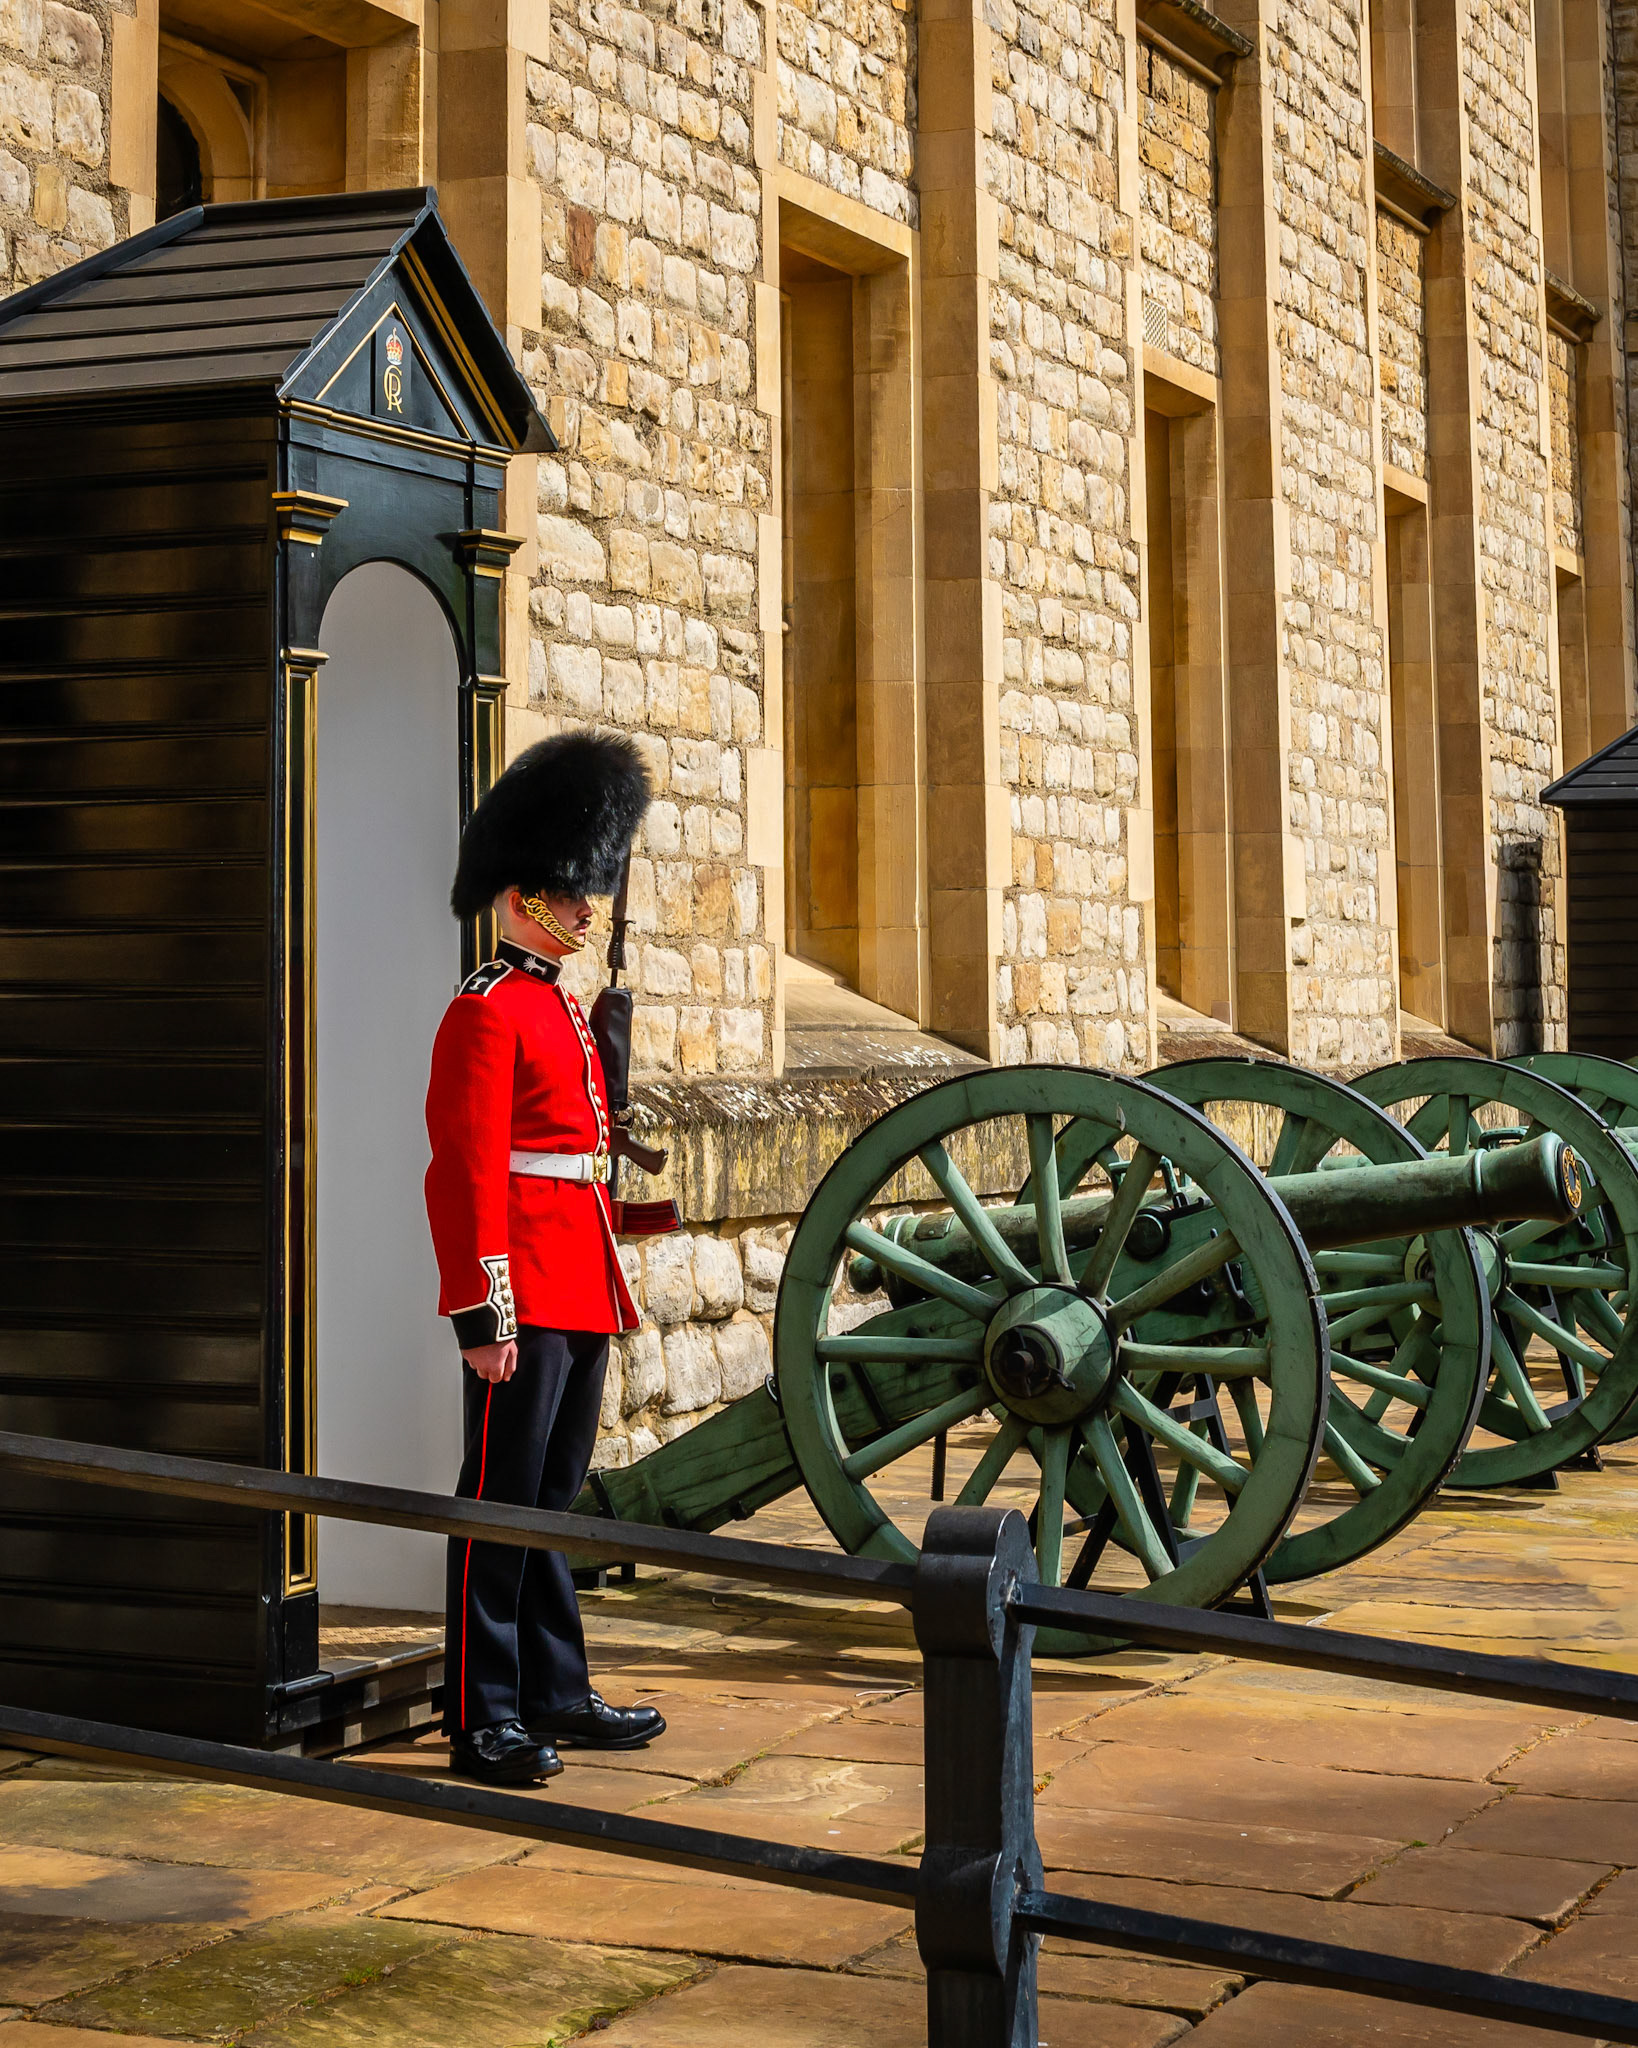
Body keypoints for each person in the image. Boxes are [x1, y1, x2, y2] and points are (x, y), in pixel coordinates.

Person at [425, 730, 667, 1786]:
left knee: (553, 1496)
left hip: (579, 1275)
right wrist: (482, 1310)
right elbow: (467, 1172)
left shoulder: (557, 1005)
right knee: (498, 1499)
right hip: (521, 1286)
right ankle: (483, 1714)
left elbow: (576, 1158)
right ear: (524, 896)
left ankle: (554, 1686)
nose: (586, 911)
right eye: (574, 896)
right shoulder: (485, 1009)